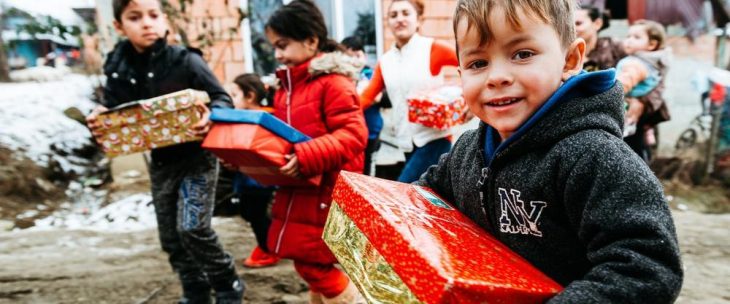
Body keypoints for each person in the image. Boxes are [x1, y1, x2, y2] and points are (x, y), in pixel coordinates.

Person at [417, 0, 683, 302]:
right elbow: (422, 198)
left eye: (522, 54)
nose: (496, 77)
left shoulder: (592, 157)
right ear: (461, 71)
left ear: (570, 60)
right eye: (478, 63)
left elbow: (647, 268)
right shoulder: (467, 150)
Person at [85, 0, 243, 302]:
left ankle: (227, 284)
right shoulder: (119, 69)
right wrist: (100, 116)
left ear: (165, 20)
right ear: (119, 26)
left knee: (192, 228)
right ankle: (195, 291)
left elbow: (221, 97)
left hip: (198, 158)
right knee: (171, 237)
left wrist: (212, 114)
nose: (147, 23)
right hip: (160, 162)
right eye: (135, 17)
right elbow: (115, 110)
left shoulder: (185, 61)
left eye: (154, 15)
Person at [264, 1, 368, 303]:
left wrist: (307, 156)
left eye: (282, 45)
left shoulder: (333, 83)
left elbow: (353, 134)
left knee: (312, 263)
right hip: (304, 186)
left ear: (310, 41)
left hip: (329, 187)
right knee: (314, 259)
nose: (277, 54)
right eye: (274, 47)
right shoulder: (287, 87)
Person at [360, 0, 459, 183]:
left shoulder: (433, 48)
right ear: (388, 22)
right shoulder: (386, 61)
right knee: (424, 201)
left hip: (435, 138)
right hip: (405, 142)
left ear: (418, 20)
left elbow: (470, 66)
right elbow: (366, 97)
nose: (400, 19)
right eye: (394, 15)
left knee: (404, 191)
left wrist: (464, 100)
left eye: (406, 13)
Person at [225, 73, 280, 268]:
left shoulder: (263, 119)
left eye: (233, 95)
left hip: (259, 180)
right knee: (250, 213)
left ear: (249, 96)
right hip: (246, 177)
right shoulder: (244, 118)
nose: (230, 100)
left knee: (255, 213)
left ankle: (269, 249)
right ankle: (267, 246)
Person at [617, 20, 671, 161]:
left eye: (636, 37)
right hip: (638, 114)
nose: (629, 41)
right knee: (636, 145)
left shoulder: (636, 64)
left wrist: (605, 93)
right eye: (628, 36)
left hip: (627, 110)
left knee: (628, 148)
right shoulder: (653, 62)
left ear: (652, 44)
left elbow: (621, 85)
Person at [341, 36, 380, 176]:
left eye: (358, 55)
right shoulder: (342, 77)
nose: (355, 60)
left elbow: (377, 96)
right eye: (349, 57)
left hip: (371, 130)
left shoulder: (370, 74)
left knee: (367, 169)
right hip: (352, 133)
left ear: (365, 56)